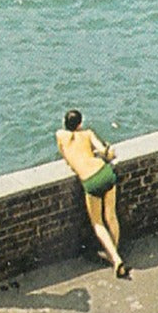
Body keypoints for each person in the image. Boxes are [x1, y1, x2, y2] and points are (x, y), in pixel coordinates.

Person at [57, 110, 129, 277]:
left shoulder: (60, 135)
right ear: (80, 124)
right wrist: (108, 151)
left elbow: (66, 153)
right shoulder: (88, 134)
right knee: (111, 216)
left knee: (98, 224)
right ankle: (115, 253)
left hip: (90, 180)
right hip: (104, 172)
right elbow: (104, 152)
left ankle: (116, 258)